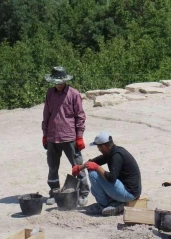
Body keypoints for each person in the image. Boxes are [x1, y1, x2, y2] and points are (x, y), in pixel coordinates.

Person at [42, 66, 89, 206]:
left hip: (69, 137)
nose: (58, 84)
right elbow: (46, 115)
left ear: (65, 80)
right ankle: (54, 192)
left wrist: (79, 136)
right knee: (52, 167)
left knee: (78, 166)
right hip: (52, 136)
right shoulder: (50, 93)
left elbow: (80, 116)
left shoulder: (74, 94)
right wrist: (45, 134)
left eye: (60, 81)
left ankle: (83, 193)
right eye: (55, 81)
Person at [72, 132, 142, 216]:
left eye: (98, 147)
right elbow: (94, 161)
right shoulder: (113, 151)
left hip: (129, 193)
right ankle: (115, 203)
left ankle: (103, 205)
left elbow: (111, 178)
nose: (98, 149)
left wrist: (97, 167)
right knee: (94, 189)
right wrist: (80, 167)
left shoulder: (116, 156)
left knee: (93, 174)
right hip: (130, 191)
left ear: (103, 147)